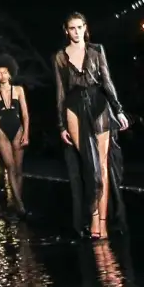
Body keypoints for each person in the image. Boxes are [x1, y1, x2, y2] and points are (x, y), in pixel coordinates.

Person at [54, 13, 129, 239]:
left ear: (85, 28)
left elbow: (107, 81)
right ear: (66, 30)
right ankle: (92, 216)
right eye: (72, 28)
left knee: (103, 167)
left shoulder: (97, 50)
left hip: (99, 104)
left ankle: (101, 223)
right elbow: (60, 91)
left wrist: (119, 109)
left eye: (79, 27)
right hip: (73, 107)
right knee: (90, 167)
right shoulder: (59, 56)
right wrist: (61, 125)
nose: (76, 32)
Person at [0, 56, 32, 213]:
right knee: (10, 167)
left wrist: (26, 133)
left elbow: (25, 114)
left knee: (18, 169)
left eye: (5, 72)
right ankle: (20, 204)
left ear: (10, 74)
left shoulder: (19, 90)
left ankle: (17, 199)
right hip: (2, 132)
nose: (2, 76)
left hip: (17, 129)